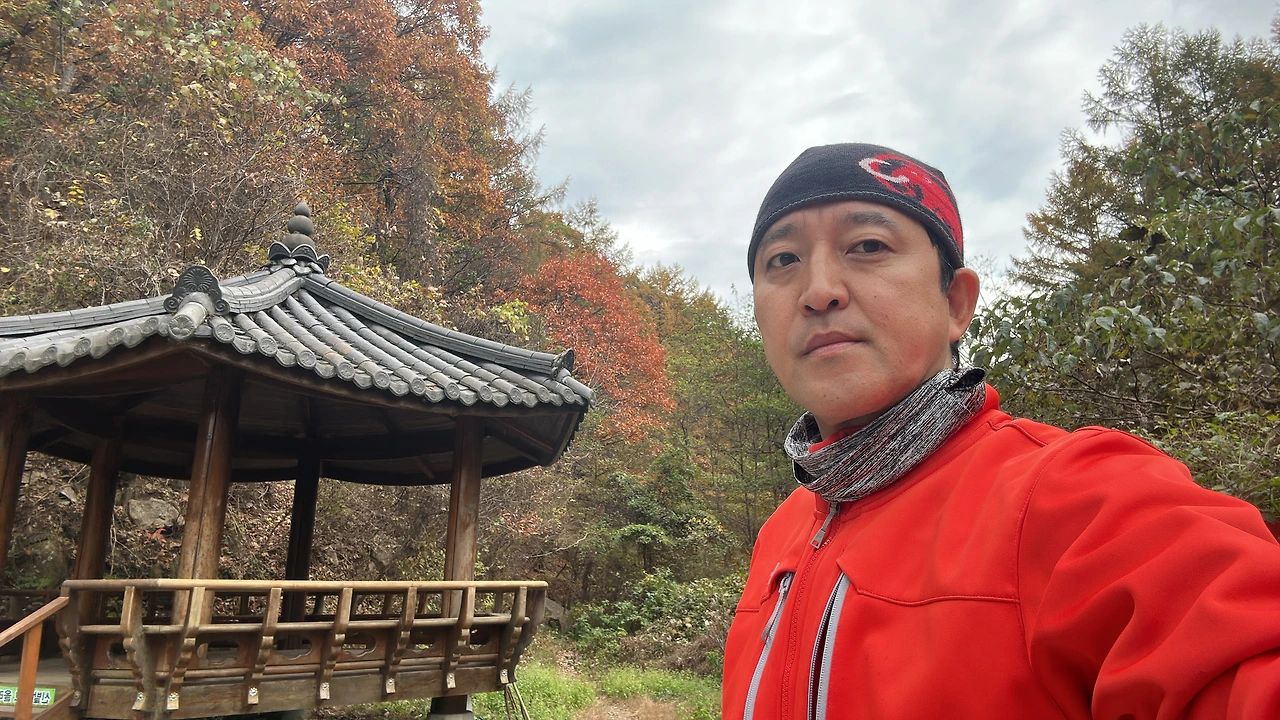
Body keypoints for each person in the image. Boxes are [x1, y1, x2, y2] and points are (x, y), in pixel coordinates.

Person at [721, 143, 1280, 719]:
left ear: (955, 302)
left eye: (868, 246)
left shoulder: (1077, 498)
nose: (819, 291)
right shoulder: (781, 532)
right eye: (782, 260)